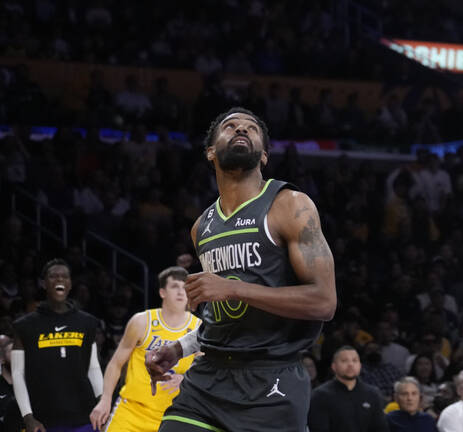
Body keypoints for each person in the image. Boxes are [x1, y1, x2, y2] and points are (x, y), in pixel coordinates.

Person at [145, 107, 337, 432]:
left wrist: (233, 289)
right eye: (230, 126)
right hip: (209, 379)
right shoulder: (201, 227)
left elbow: (324, 302)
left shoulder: (290, 205)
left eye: (251, 128)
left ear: (263, 156)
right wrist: (180, 348)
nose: (241, 130)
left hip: (272, 380)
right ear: (210, 151)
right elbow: (226, 317)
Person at [89, 266, 201, 432]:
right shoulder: (142, 321)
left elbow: (205, 370)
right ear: (162, 292)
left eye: (184, 287)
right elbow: (116, 363)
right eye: (174, 286)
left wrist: (186, 379)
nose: (180, 291)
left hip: (173, 415)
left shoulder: (198, 328)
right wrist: (105, 399)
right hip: (132, 411)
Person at [12, 258, 102, 432]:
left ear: (70, 284)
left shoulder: (87, 322)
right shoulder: (24, 325)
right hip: (44, 419)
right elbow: (17, 373)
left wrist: (102, 403)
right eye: (53, 276)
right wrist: (28, 416)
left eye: (65, 276)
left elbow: (93, 368)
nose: (60, 279)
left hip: (84, 415)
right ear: (43, 283)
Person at [309, 346, 387, 432]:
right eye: (344, 361)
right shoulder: (320, 395)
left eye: (355, 360)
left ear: (360, 365)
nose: (350, 364)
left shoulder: (373, 394)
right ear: (333, 366)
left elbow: (380, 428)